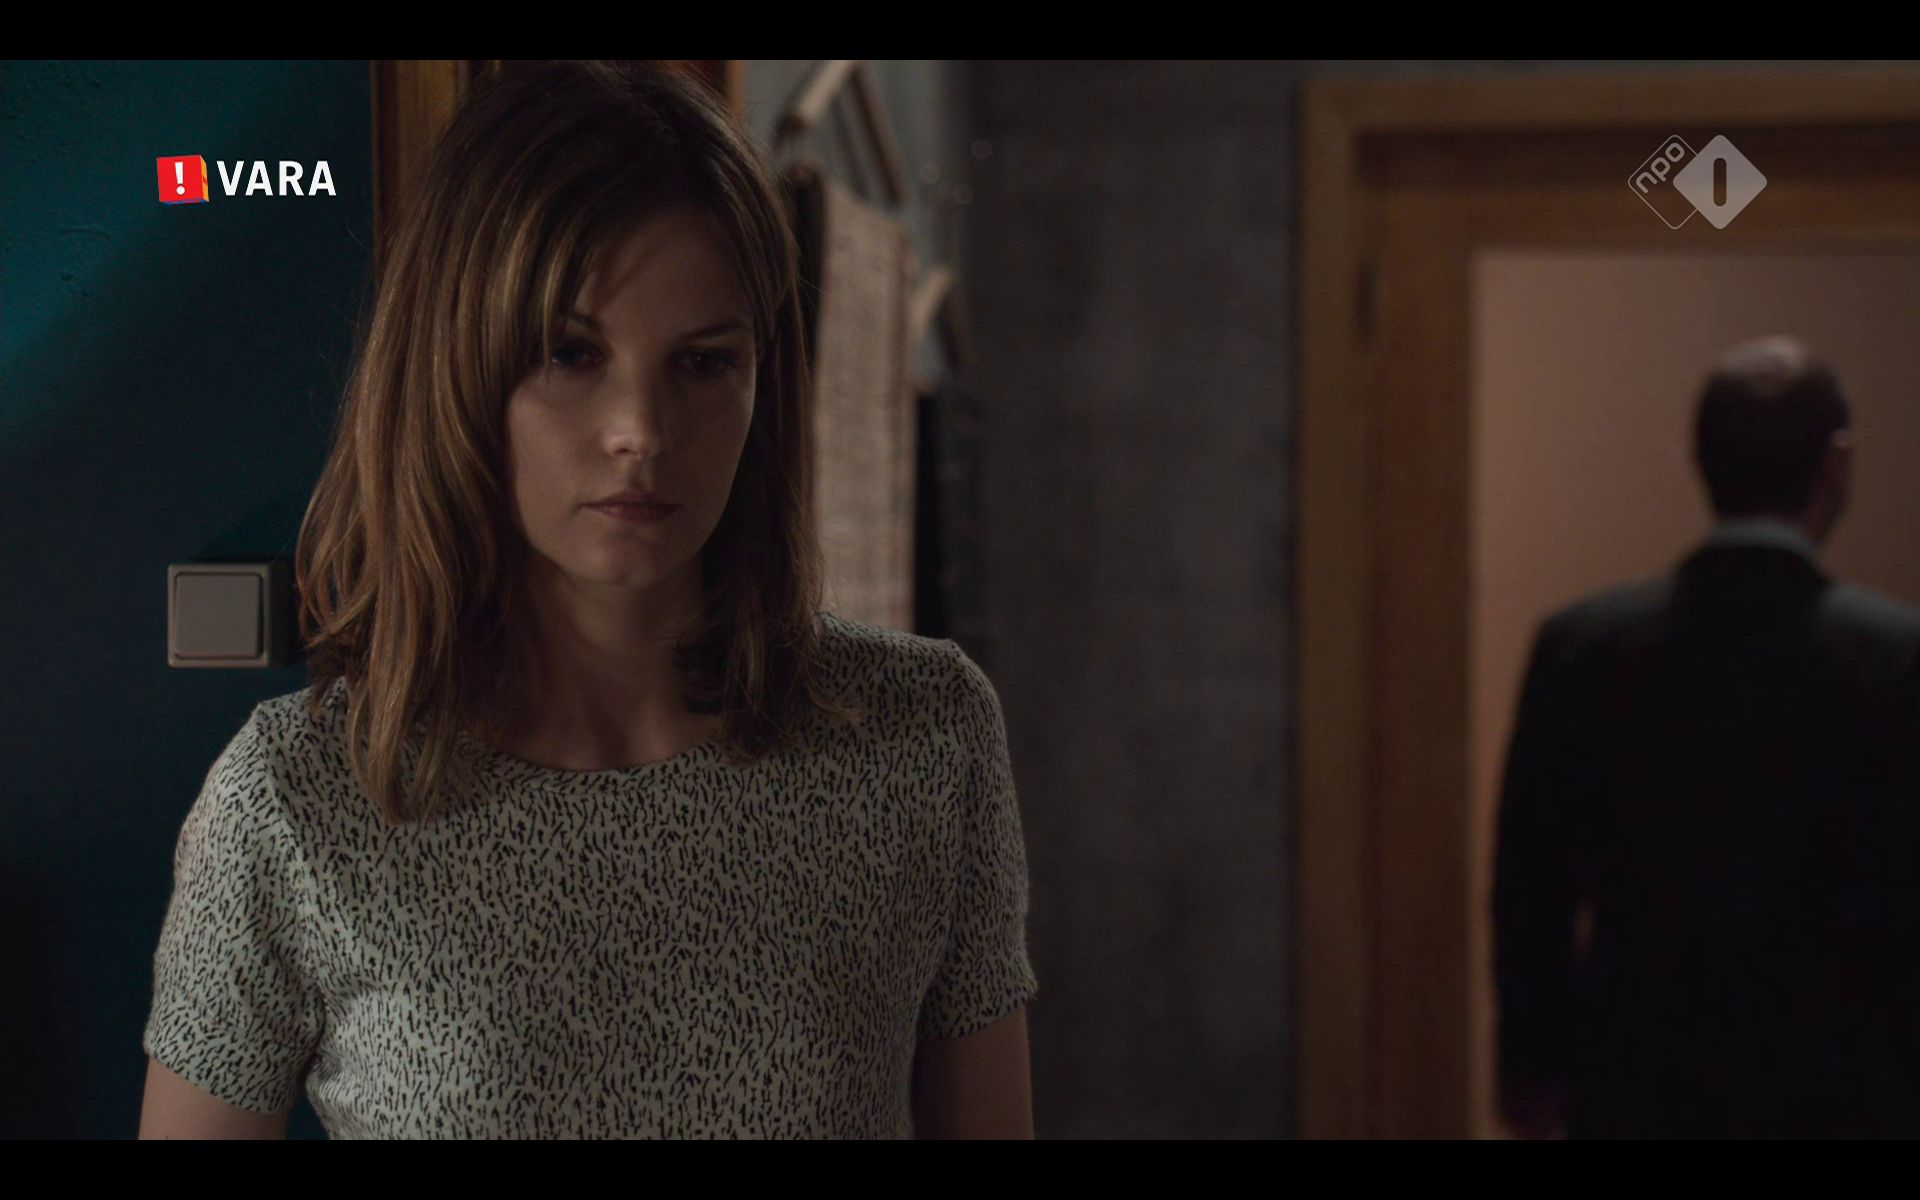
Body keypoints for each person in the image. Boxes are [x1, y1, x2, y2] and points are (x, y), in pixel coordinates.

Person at [137, 60, 1038, 1140]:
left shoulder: (925, 737)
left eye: (703, 363)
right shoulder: (296, 801)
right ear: (459, 368)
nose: (640, 432)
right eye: (570, 353)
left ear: (764, 383)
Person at [1491, 335, 1920, 1139]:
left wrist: (1530, 1066)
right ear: (1835, 463)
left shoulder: (1582, 648)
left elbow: (1530, 885)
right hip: (1843, 1086)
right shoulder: (1897, 660)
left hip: (1637, 1079)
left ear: (1701, 457)